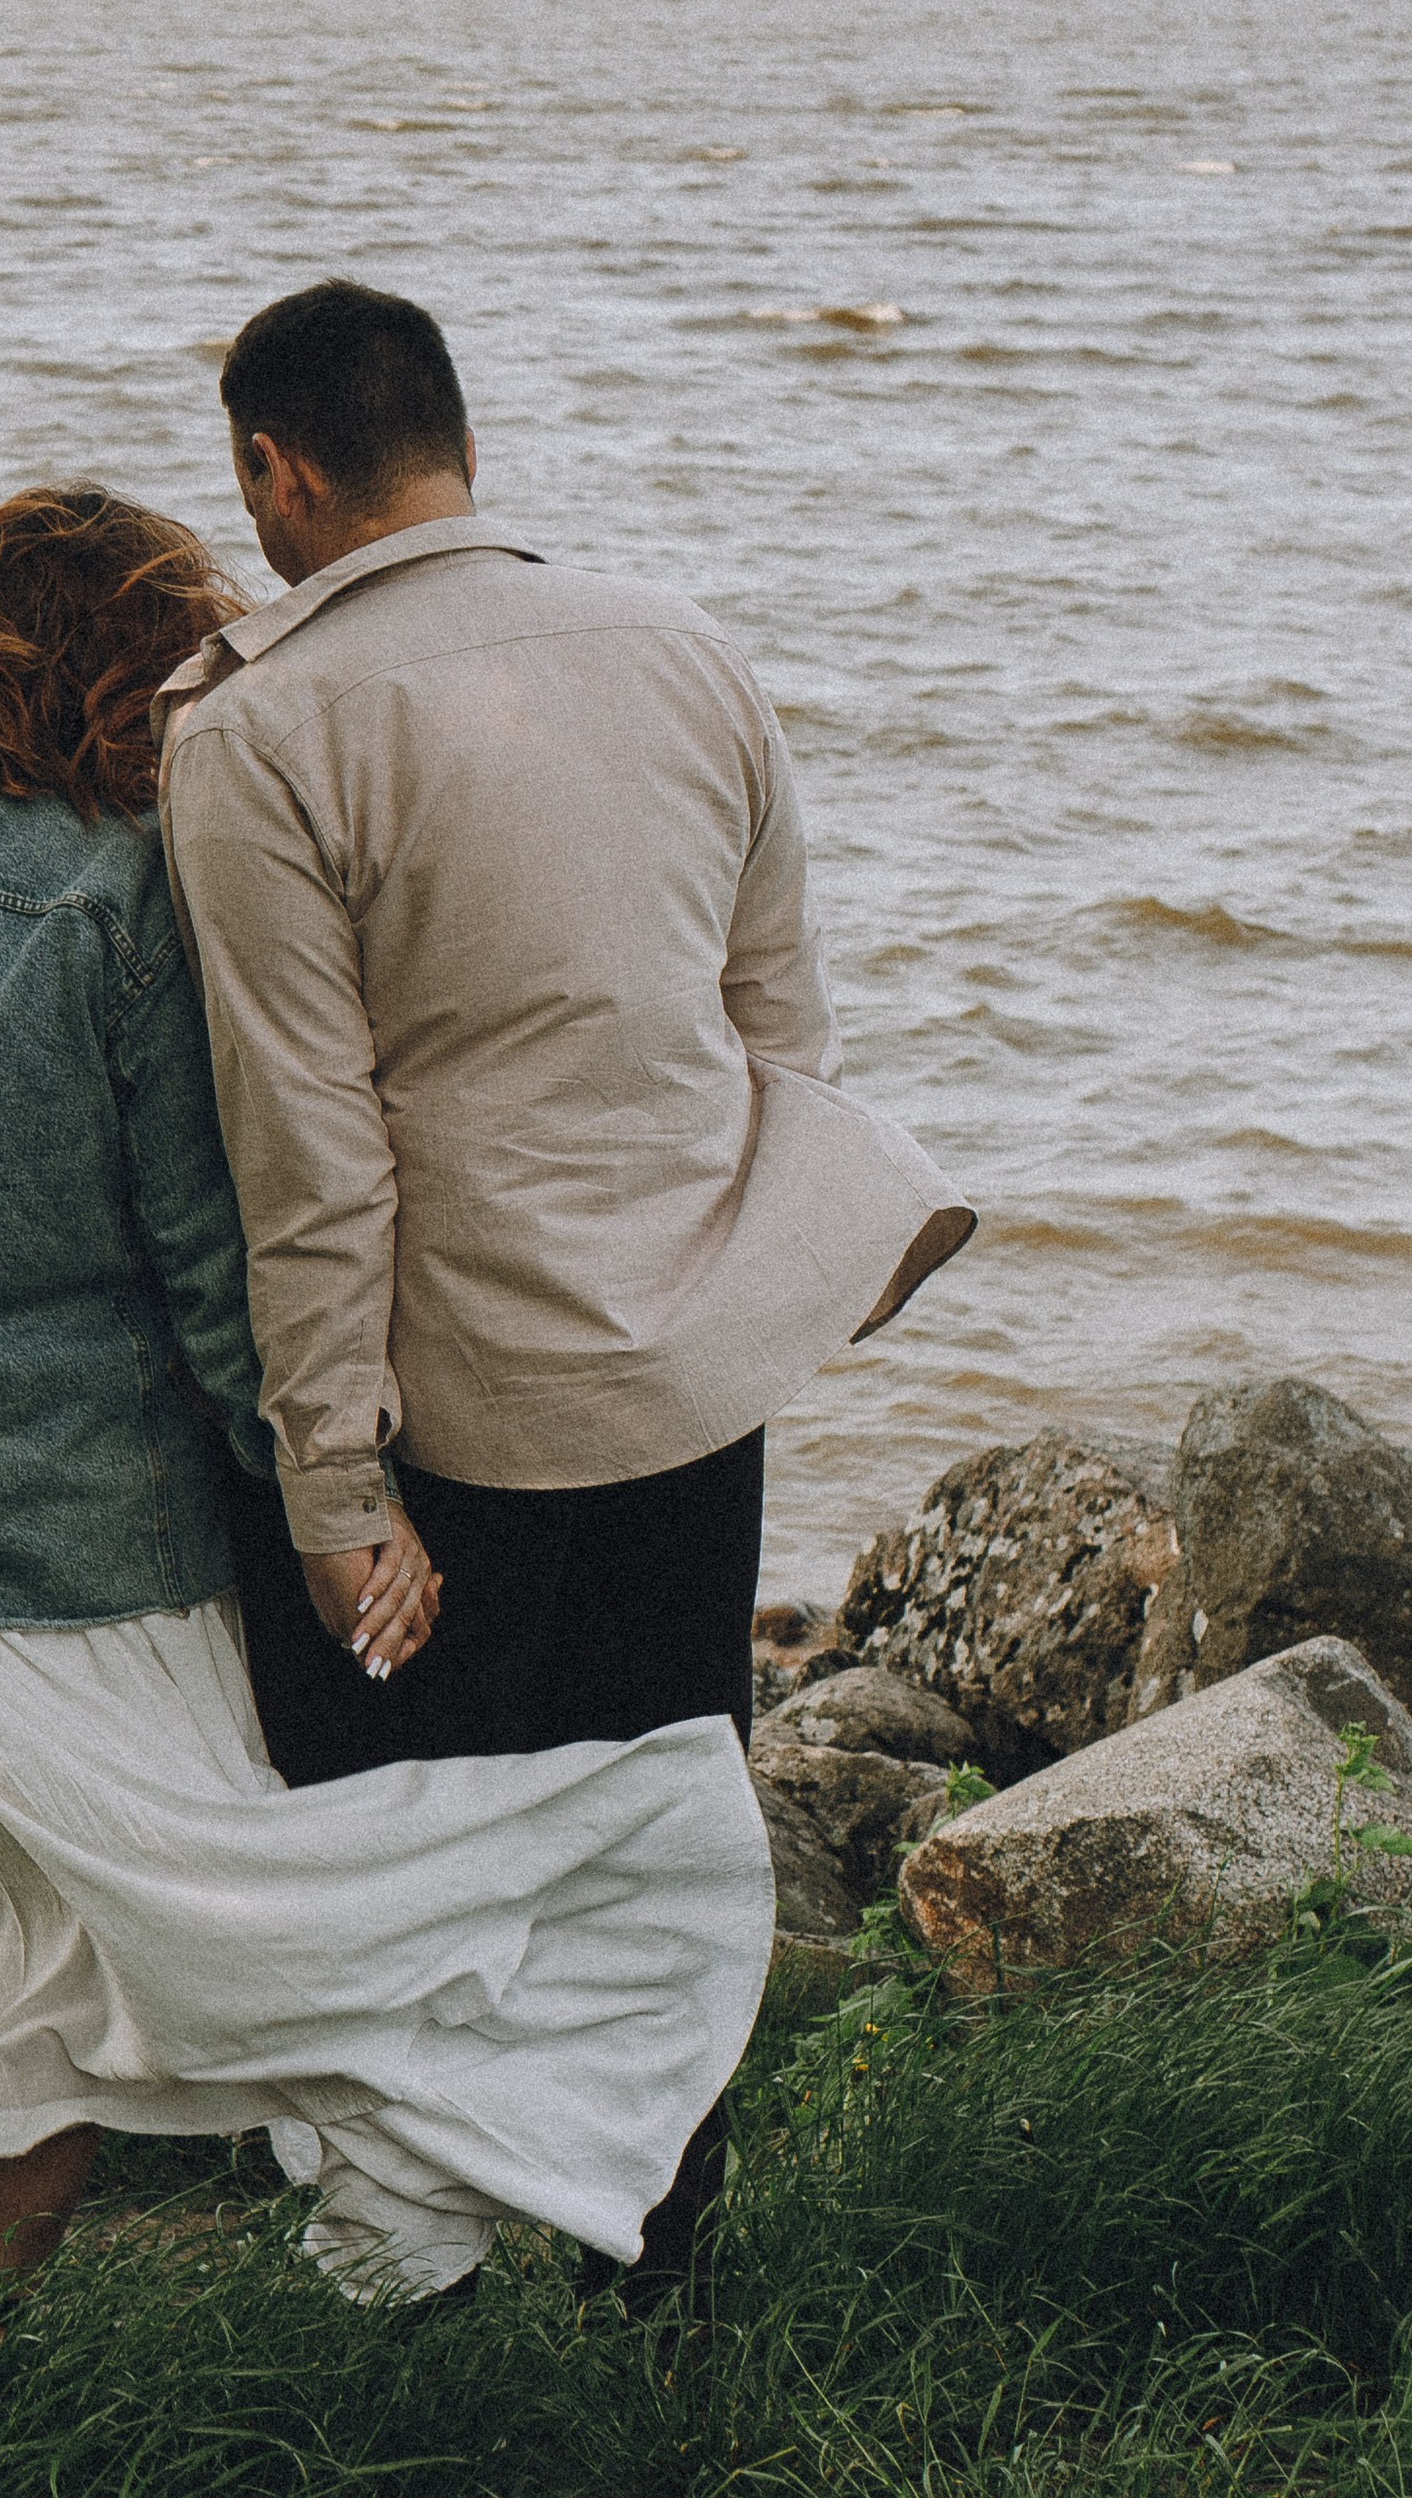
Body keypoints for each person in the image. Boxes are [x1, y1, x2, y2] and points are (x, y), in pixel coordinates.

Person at [0, 482, 773, 2323]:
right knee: (248, 1904)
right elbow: (212, 1257)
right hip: (20, 1561)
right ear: (151, 667)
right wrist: (342, 1505)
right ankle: (426, 2224)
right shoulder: (124, 895)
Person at [157, 280, 973, 2279]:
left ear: (273, 470)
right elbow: (778, 1038)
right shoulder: (688, 654)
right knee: (655, 1841)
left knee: (397, 1853)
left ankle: (413, 2293)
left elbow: (308, 1145)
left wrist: (329, 1491)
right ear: (448, 436)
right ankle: (648, 2266)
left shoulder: (255, 725)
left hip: (457, 1418)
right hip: (688, 1387)